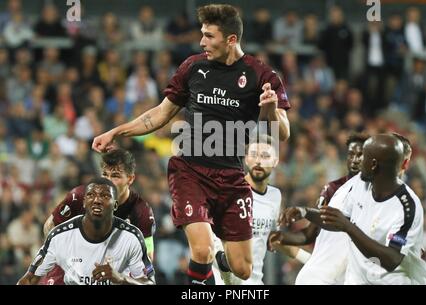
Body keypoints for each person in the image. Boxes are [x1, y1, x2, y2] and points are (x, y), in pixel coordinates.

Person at [92, 4, 290, 285]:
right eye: (202, 34)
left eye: (209, 36)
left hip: (232, 178)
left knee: (243, 269)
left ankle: (223, 264)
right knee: (202, 248)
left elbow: (282, 133)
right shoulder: (193, 67)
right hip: (191, 171)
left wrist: (269, 110)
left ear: (231, 39)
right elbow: (159, 115)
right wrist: (117, 131)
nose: (202, 42)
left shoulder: (262, 75)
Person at [296, 134, 426, 284]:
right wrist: (305, 212)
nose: (359, 161)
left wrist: (348, 227)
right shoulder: (358, 185)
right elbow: (338, 220)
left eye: (364, 156)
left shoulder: (406, 206)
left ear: (373, 164)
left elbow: (392, 259)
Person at [41, 148, 155, 285]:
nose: (109, 181)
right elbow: (50, 226)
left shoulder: (141, 211)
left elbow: (147, 259)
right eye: (105, 175)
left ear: (130, 179)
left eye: (116, 176)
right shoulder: (80, 196)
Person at [17, 178, 156, 285]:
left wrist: (120, 279)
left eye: (105, 196)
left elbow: (149, 282)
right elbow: (29, 280)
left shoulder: (132, 237)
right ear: (83, 202)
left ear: (115, 205)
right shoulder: (60, 236)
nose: (97, 200)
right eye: (91, 195)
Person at [271, 133, 368, 284]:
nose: (354, 160)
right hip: (323, 274)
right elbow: (309, 234)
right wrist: (282, 237)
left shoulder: (375, 193)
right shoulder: (332, 189)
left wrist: (306, 212)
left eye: (360, 155)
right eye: (351, 154)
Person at [213, 134, 281, 285]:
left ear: (275, 161)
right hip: (226, 280)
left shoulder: (275, 196)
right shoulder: (229, 191)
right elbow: (213, 239)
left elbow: (271, 237)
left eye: (265, 156)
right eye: (254, 155)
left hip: (256, 281)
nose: (258, 161)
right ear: (246, 158)